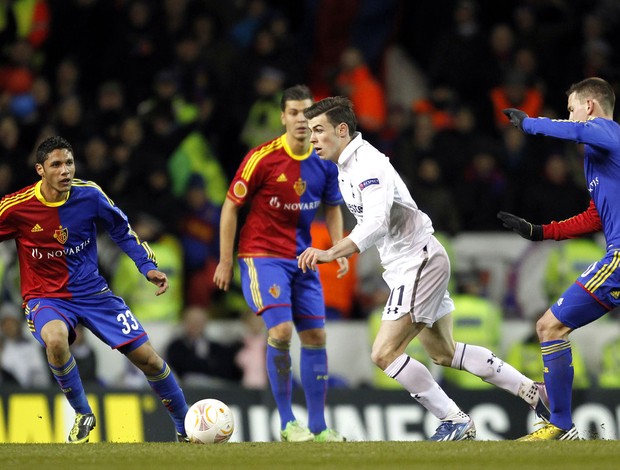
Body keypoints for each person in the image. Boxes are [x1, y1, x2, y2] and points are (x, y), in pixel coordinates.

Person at [299, 96, 550, 441]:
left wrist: (332, 251)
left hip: (418, 262)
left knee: (384, 352)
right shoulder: (345, 167)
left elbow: (374, 223)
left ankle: (454, 419)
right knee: (444, 352)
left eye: (318, 130)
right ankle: (533, 391)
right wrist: (344, 249)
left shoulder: (367, 164)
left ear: (341, 130)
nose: (312, 138)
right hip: (413, 262)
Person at [0, 136, 190, 443]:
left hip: (94, 294)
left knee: (150, 360)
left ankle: (185, 428)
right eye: (56, 164)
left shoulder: (89, 195)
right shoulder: (17, 207)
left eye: (69, 163)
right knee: (56, 340)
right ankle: (82, 413)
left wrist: (146, 266)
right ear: (40, 169)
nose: (65, 170)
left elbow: (122, 230)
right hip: (45, 297)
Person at [213, 84, 347, 442]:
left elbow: (333, 206)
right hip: (262, 257)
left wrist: (337, 248)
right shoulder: (263, 158)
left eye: (308, 113)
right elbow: (230, 206)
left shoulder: (324, 160)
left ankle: (318, 427)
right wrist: (226, 260)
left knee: (317, 335)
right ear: (283, 117)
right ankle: (288, 422)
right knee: (282, 332)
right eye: (294, 112)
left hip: (302, 259)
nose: (301, 120)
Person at [499, 77, 619, 441]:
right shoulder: (598, 157)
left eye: (571, 110)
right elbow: (594, 217)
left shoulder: (606, 132)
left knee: (549, 327)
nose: (569, 117)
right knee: (551, 327)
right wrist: (541, 232)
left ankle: (561, 425)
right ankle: (561, 426)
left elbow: (574, 133)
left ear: (589, 107)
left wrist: (530, 123)